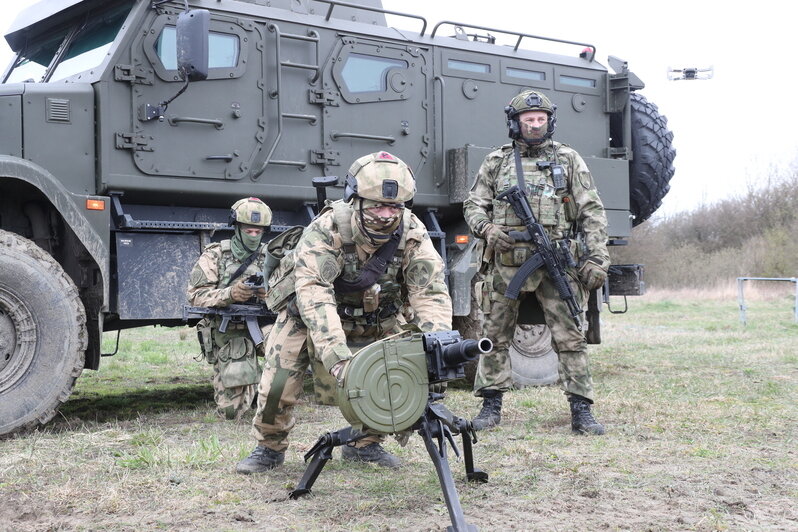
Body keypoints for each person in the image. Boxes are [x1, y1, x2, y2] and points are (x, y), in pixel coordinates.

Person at [236, 151, 452, 473]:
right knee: (277, 385)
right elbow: (314, 296)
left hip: (379, 316)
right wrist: (338, 358)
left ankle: (365, 445)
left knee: (388, 379)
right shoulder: (326, 229)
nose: (385, 215)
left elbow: (430, 292)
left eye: (394, 207)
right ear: (357, 201)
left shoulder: (413, 233)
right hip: (309, 316)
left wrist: (436, 349)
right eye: (377, 206)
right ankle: (269, 447)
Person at [463, 89, 610, 435]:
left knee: (571, 334)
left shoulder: (568, 159)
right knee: (494, 334)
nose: (534, 125)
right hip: (506, 261)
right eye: (528, 120)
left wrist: (597, 258)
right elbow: (473, 205)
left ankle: (581, 409)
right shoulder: (497, 161)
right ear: (516, 123)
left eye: (540, 120)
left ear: (550, 122)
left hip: (557, 258)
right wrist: (487, 229)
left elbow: (592, 211)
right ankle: (490, 405)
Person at [186, 197, 272, 420]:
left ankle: (272, 392)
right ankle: (247, 380)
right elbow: (195, 296)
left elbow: (294, 295)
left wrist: (268, 294)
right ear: (237, 228)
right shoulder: (216, 255)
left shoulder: (272, 257)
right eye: (249, 231)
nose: (254, 236)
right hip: (231, 331)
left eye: (258, 232)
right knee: (231, 413)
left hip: (266, 326)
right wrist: (230, 294)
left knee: (289, 351)